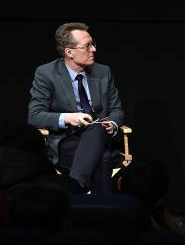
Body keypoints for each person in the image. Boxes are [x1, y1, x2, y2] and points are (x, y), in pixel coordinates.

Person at [28, 22, 124, 194]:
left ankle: (75, 190)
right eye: (87, 46)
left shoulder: (103, 72)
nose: (93, 49)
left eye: (93, 44)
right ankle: (103, 214)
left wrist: (113, 124)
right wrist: (69, 118)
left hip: (101, 136)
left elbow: (117, 109)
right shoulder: (46, 73)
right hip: (67, 141)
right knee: (103, 159)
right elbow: (35, 115)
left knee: (96, 129)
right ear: (69, 52)